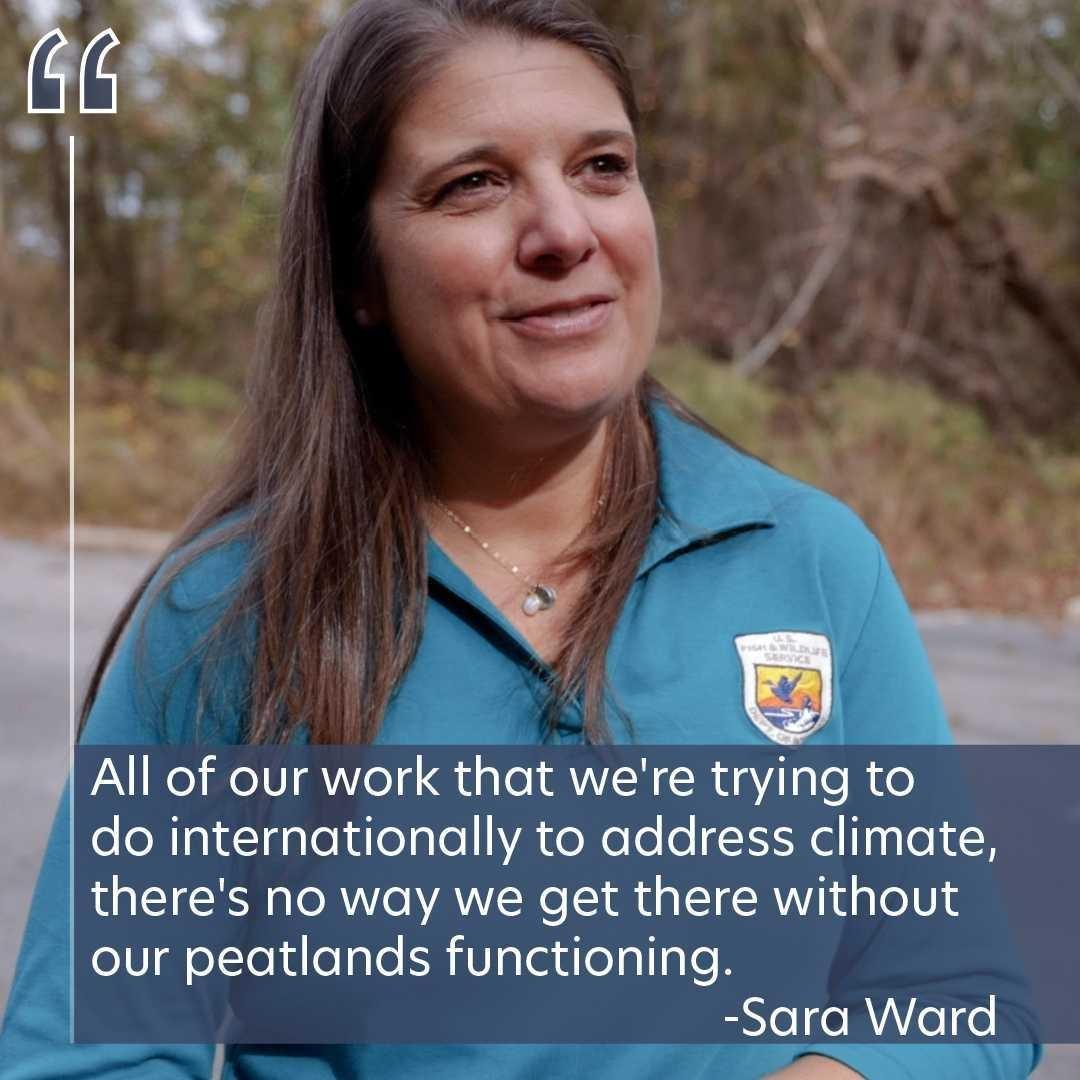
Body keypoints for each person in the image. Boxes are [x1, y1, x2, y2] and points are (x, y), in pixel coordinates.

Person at [0, 1, 1041, 1077]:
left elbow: (958, 996)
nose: (564, 232)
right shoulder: (224, 620)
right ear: (359, 274)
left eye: (602, 166)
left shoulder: (813, 565)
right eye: (474, 184)